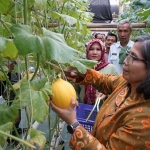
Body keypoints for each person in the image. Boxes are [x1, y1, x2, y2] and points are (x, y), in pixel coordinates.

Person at [50, 35, 150, 150]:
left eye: (134, 57)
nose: (125, 61)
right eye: (129, 54)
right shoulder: (127, 83)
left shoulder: (145, 122)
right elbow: (103, 79)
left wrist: (73, 123)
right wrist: (78, 71)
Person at [74, 38, 119, 104]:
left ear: (103, 51)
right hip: (82, 108)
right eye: (91, 49)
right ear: (87, 51)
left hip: (103, 109)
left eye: (98, 49)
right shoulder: (81, 68)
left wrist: (106, 94)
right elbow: (75, 89)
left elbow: (118, 90)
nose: (94, 52)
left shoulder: (111, 68)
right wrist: (76, 99)